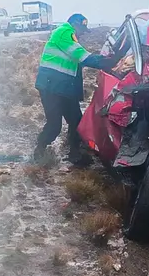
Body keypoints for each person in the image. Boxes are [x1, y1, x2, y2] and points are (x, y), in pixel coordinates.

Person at [33, 13, 119, 164]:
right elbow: (82, 56)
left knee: (76, 121)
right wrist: (111, 62)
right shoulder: (64, 32)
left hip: (64, 88)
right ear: (75, 24)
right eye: (81, 30)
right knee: (54, 126)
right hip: (51, 87)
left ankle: (74, 153)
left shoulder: (69, 35)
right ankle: (39, 150)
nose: (82, 35)